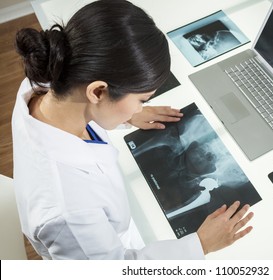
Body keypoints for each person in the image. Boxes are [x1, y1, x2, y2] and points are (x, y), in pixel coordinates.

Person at [12, 0, 254, 260]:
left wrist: (128, 114)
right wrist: (200, 245)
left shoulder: (49, 80)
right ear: (98, 92)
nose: (140, 108)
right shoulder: (69, 211)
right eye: (141, 100)